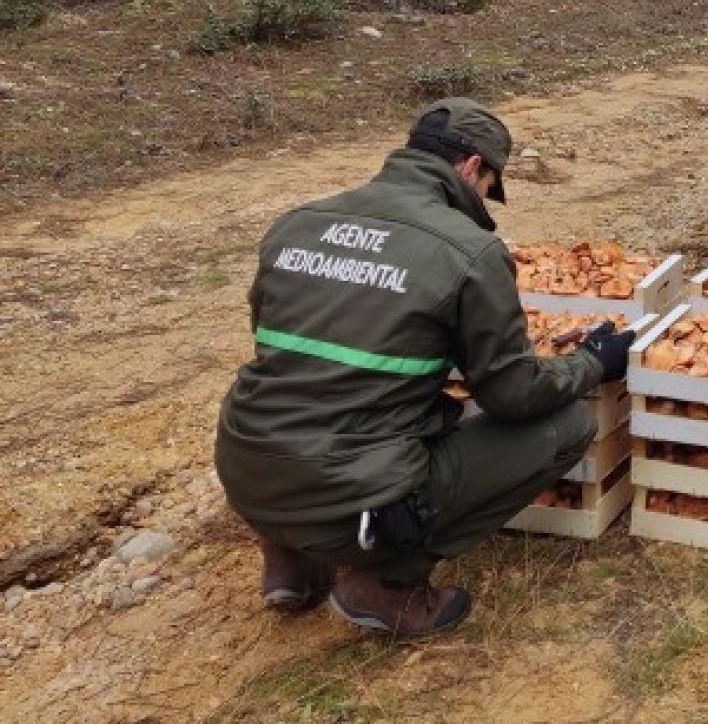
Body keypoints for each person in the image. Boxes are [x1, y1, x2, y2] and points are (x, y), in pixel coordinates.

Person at [214, 98, 635, 639]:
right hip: (344, 493)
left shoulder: (296, 224)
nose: (484, 200)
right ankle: (387, 584)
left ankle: (290, 558)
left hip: (245, 471)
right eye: (489, 186)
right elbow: (513, 394)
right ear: (470, 168)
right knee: (568, 427)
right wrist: (591, 362)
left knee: (320, 412)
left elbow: (290, 356)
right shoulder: (469, 251)